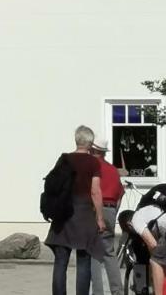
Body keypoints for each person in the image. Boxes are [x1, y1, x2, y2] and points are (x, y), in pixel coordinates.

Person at [45, 125, 104, 295]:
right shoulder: (93, 162)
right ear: (91, 143)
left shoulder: (64, 159)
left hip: (63, 213)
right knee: (84, 261)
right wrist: (99, 218)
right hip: (84, 214)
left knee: (61, 261)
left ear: (76, 140)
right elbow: (95, 191)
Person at [90, 136, 126, 295]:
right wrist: (113, 212)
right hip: (111, 209)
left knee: (94, 253)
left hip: (96, 209)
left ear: (93, 149)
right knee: (109, 253)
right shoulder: (113, 169)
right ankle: (117, 290)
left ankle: (98, 292)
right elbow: (120, 195)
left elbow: (92, 191)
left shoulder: (91, 167)